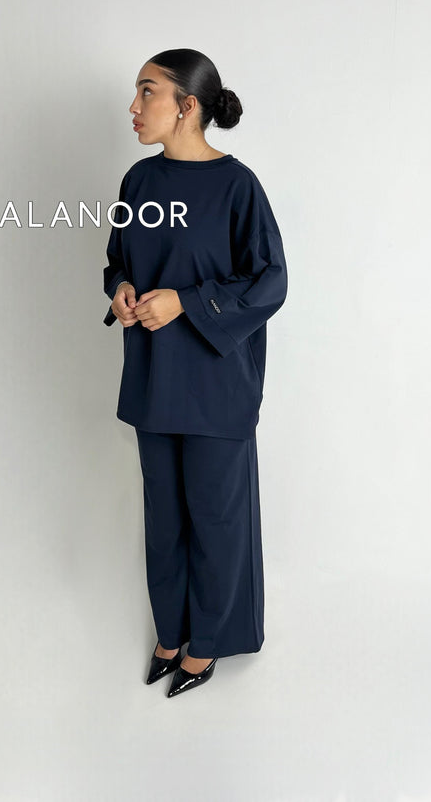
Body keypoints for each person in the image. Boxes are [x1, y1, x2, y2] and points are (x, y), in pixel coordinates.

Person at [102, 48, 288, 698]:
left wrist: (184, 301)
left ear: (186, 106)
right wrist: (121, 289)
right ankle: (171, 631)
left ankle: (206, 642)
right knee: (165, 519)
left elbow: (269, 281)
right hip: (154, 379)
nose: (133, 106)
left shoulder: (237, 187)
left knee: (214, 517)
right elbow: (117, 258)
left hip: (214, 384)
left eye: (146, 92)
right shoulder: (138, 183)